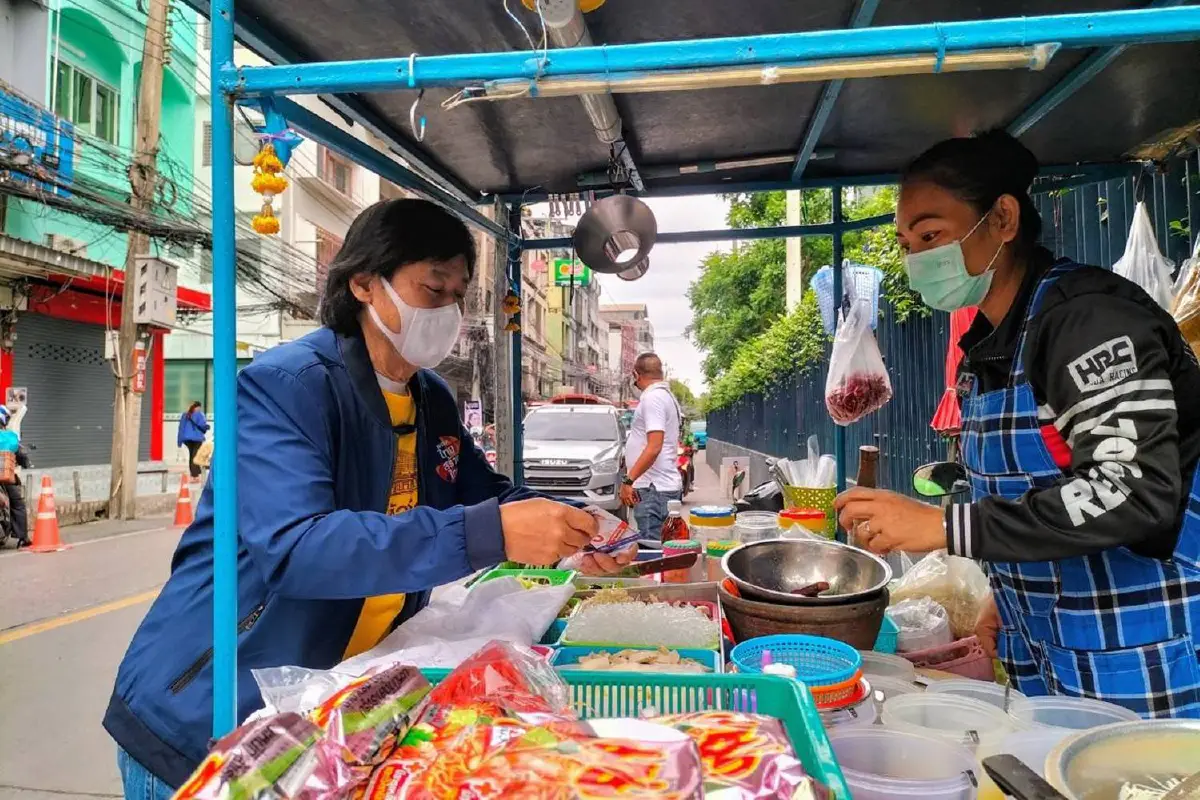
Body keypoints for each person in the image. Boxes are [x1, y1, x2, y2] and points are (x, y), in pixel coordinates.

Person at [104, 199, 634, 797]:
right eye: (433, 289)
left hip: (322, 706)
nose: (448, 312)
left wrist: (576, 528)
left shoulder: (430, 397)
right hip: (205, 713)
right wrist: (493, 532)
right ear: (363, 282)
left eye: (458, 295)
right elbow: (298, 549)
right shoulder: (287, 386)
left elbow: (485, 494)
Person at [835, 130, 1200, 718]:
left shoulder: (1089, 322)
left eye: (931, 236)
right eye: (906, 244)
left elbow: (1133, 491)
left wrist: (946, 527)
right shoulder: (989, 343)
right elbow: (1039, 490)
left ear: (1003, 218)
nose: (917, 259)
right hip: (1054, 648)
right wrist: (1006, 595)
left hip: (1149, 647)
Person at [620, 353, 683, 539]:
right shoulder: (666, 396)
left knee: (652, 554)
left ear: (636, 375)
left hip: (653, 490)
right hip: (659, 489)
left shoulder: (652, 399)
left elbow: (654, 446)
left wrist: (628, 481)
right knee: (665, 552)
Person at [0, 405, 29, 548]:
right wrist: (25, 463)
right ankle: (23, 537)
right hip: (3, 476)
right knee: (18, 504)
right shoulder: (9, 437)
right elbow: (21, 454)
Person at [176, 401, 209, 480]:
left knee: (192, 455)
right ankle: (195, 475)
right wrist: (207, 427)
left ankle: (193, 474)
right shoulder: (200, 414)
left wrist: (179, 442)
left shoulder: (185, 415)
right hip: (196, 438)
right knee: (195, 455)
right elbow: (202, 425)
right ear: (198, 407)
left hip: (187, 439)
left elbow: (181, 428)